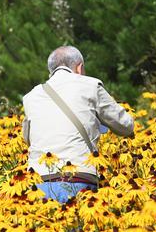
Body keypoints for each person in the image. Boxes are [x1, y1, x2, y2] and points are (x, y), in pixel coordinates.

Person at [22, 46, 135, 203]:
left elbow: (27, 139)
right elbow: (125, 125)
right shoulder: (91, 86)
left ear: (51, 71)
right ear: (80, 67)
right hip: (78, 180)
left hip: (37, 183)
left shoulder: (31, 96)